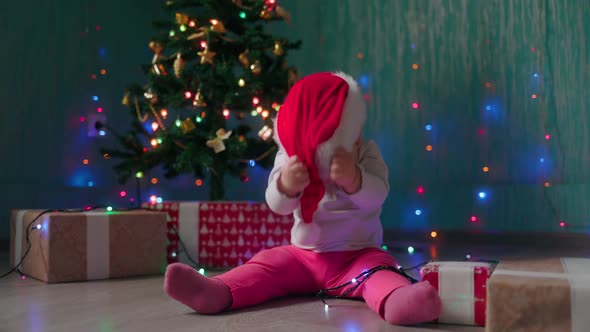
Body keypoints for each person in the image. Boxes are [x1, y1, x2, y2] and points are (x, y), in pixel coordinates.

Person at [164, 72, 441, 325]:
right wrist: (286, 184)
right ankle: (217, 291)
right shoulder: (290, 156)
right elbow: (277, 205)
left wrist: (355, 179)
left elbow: (378, 195)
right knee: (266, 264)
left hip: (359, 256)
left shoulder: (366, 151)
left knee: (380, 272)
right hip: (305, 256)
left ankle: (398, 300)